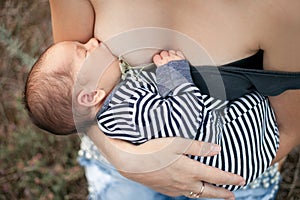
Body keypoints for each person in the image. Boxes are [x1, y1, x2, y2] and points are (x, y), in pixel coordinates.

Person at [48, 0, 300, 199]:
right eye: (86, 50)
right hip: (120, 172)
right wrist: (127, 159)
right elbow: (70, 98)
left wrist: (199, 179)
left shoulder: (282, 7)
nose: (92, 43)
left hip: (226, 181)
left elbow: (287, 130)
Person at [25, 37, 285, 192]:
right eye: (84, 50)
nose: (92, 41)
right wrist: (174, 73)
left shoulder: (113, 111)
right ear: (91, 95)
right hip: (233, 151)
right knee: (250, 103)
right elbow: (184, 121)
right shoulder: (127, 109)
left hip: (232, 166)